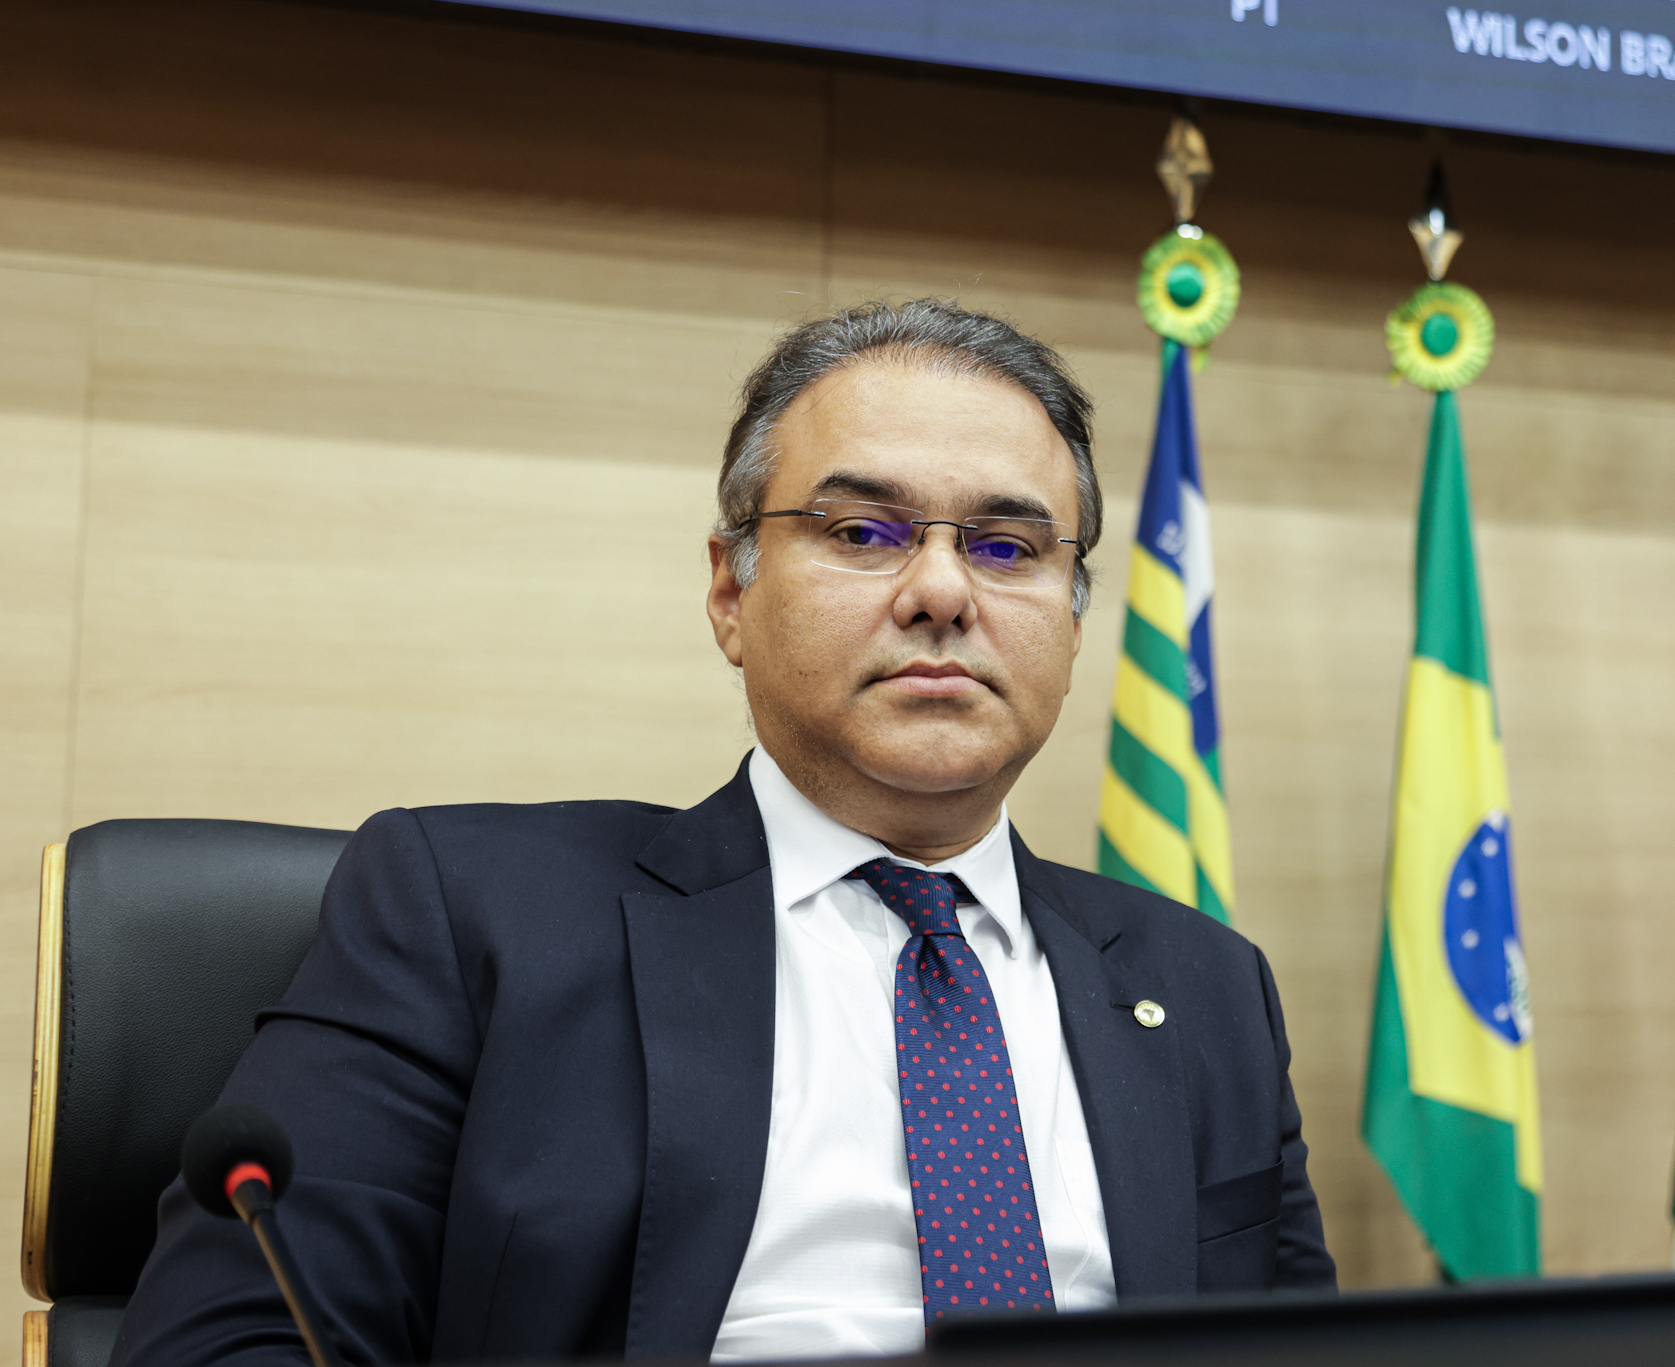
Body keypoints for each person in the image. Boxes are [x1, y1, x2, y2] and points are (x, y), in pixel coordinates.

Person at [110, 299, 1335, 1366]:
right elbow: (233, 1334)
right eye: (863, 533)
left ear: (1071, 619)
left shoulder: (1206, 986)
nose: (941, 591)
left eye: (1007, 547)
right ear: (729, 591)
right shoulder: (466, 907)